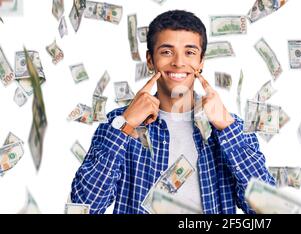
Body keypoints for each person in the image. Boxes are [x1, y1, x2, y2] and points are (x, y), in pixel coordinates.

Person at [70, 10, 275, 214]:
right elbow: (85, 206)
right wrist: (125, 125)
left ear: (201, 62)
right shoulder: (119, 124)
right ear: (150, 60)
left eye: (190, 52)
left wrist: (227, 128)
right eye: (167, 52)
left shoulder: (232, 127)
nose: (178, 62)